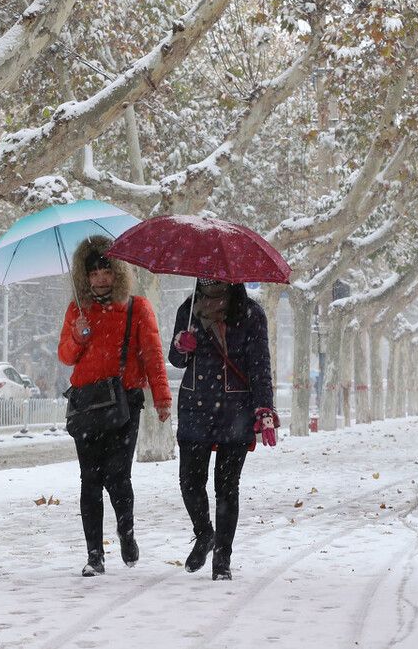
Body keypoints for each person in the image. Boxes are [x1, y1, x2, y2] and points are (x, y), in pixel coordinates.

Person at [57, 236, 172, 578]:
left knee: (118, 477)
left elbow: (152, 354)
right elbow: (65, 356)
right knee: (89, 480)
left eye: (106, 270)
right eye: (93, 273)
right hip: (86, 405)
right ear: (84, 276)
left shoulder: (138, 307)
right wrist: (77, 334)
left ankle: (127, 531)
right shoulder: (77, 309)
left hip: (124, 403)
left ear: (117, 271)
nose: (100, 278)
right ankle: (94, 555)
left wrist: (162, 398)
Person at [168, 278, 277, 581]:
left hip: (236, 411)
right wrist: (181, 345)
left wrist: (264, 408)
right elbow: (176, 360)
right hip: (194, 407)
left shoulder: (251, 314)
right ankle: (204, 534)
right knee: (190, 481)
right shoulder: (188, 310)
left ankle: (222, 557)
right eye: (204, 273)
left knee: (226, 487)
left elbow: (259, 364)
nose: (209, 278)